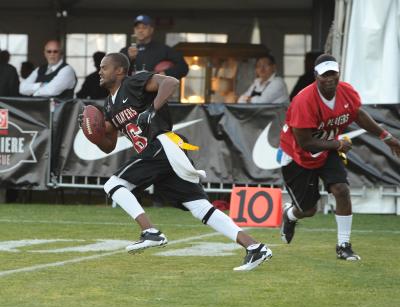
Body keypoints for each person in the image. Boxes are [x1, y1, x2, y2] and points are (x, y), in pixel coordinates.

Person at [80, 52, 272, 271]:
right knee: (200, 207)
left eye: (104, 67)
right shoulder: (109, 104)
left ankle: (150, 232)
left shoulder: (133, 82)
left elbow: (170, 82)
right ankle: (255, 247)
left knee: (113, 185)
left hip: (161, 144)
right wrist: (91, 133)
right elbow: (108, 144)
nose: (100, 71)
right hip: (161, 154)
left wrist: (152, 110)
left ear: (120, 70)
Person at [279, 53, 400, 261]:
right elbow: (305, 143)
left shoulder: (346, 91)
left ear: (338, 73)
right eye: (325, 75)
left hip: (327, 150)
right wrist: (338, 144)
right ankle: (289, 215)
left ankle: (343, 245)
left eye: (333, 73)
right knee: (308, 210)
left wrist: (386, 136)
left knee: (341, 190)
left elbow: (358, 114)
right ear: (316, 76)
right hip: (298, 156)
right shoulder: (303, 100)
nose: (330, 78)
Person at [120, 14, 188, 79]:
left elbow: (183, 67)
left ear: (151, 30)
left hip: (154, 90)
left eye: (144, 27)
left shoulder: (163, 49)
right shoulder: (125, 51)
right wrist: (130, 59)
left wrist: (166, 73)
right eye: (137, 28)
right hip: (131, 90)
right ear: (134, 30)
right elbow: (117, 72)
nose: (140, 30)